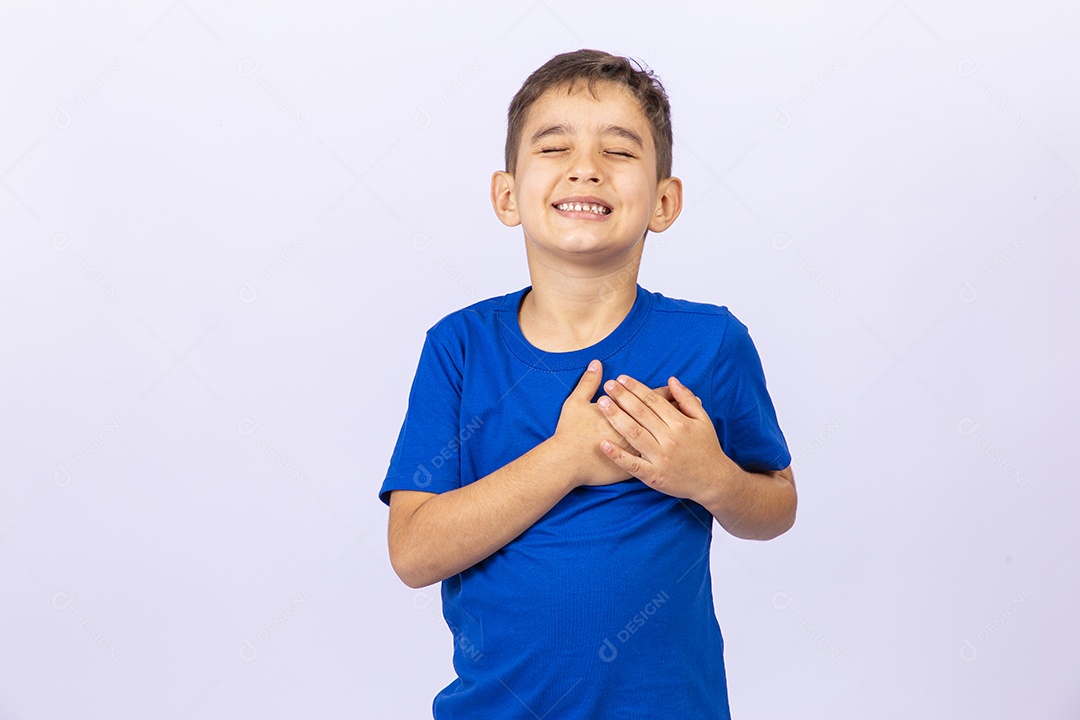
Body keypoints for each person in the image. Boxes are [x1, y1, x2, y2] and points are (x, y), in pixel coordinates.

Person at [378, 48, 796, 719]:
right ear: (506, 195)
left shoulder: (711, 343)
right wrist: (566, 458)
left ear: (664, 201)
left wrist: (709, 477)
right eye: (554, 146)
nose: (585, 168)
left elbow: (777, 504)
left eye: (620, 151)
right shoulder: (459, 348)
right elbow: (414, 552)